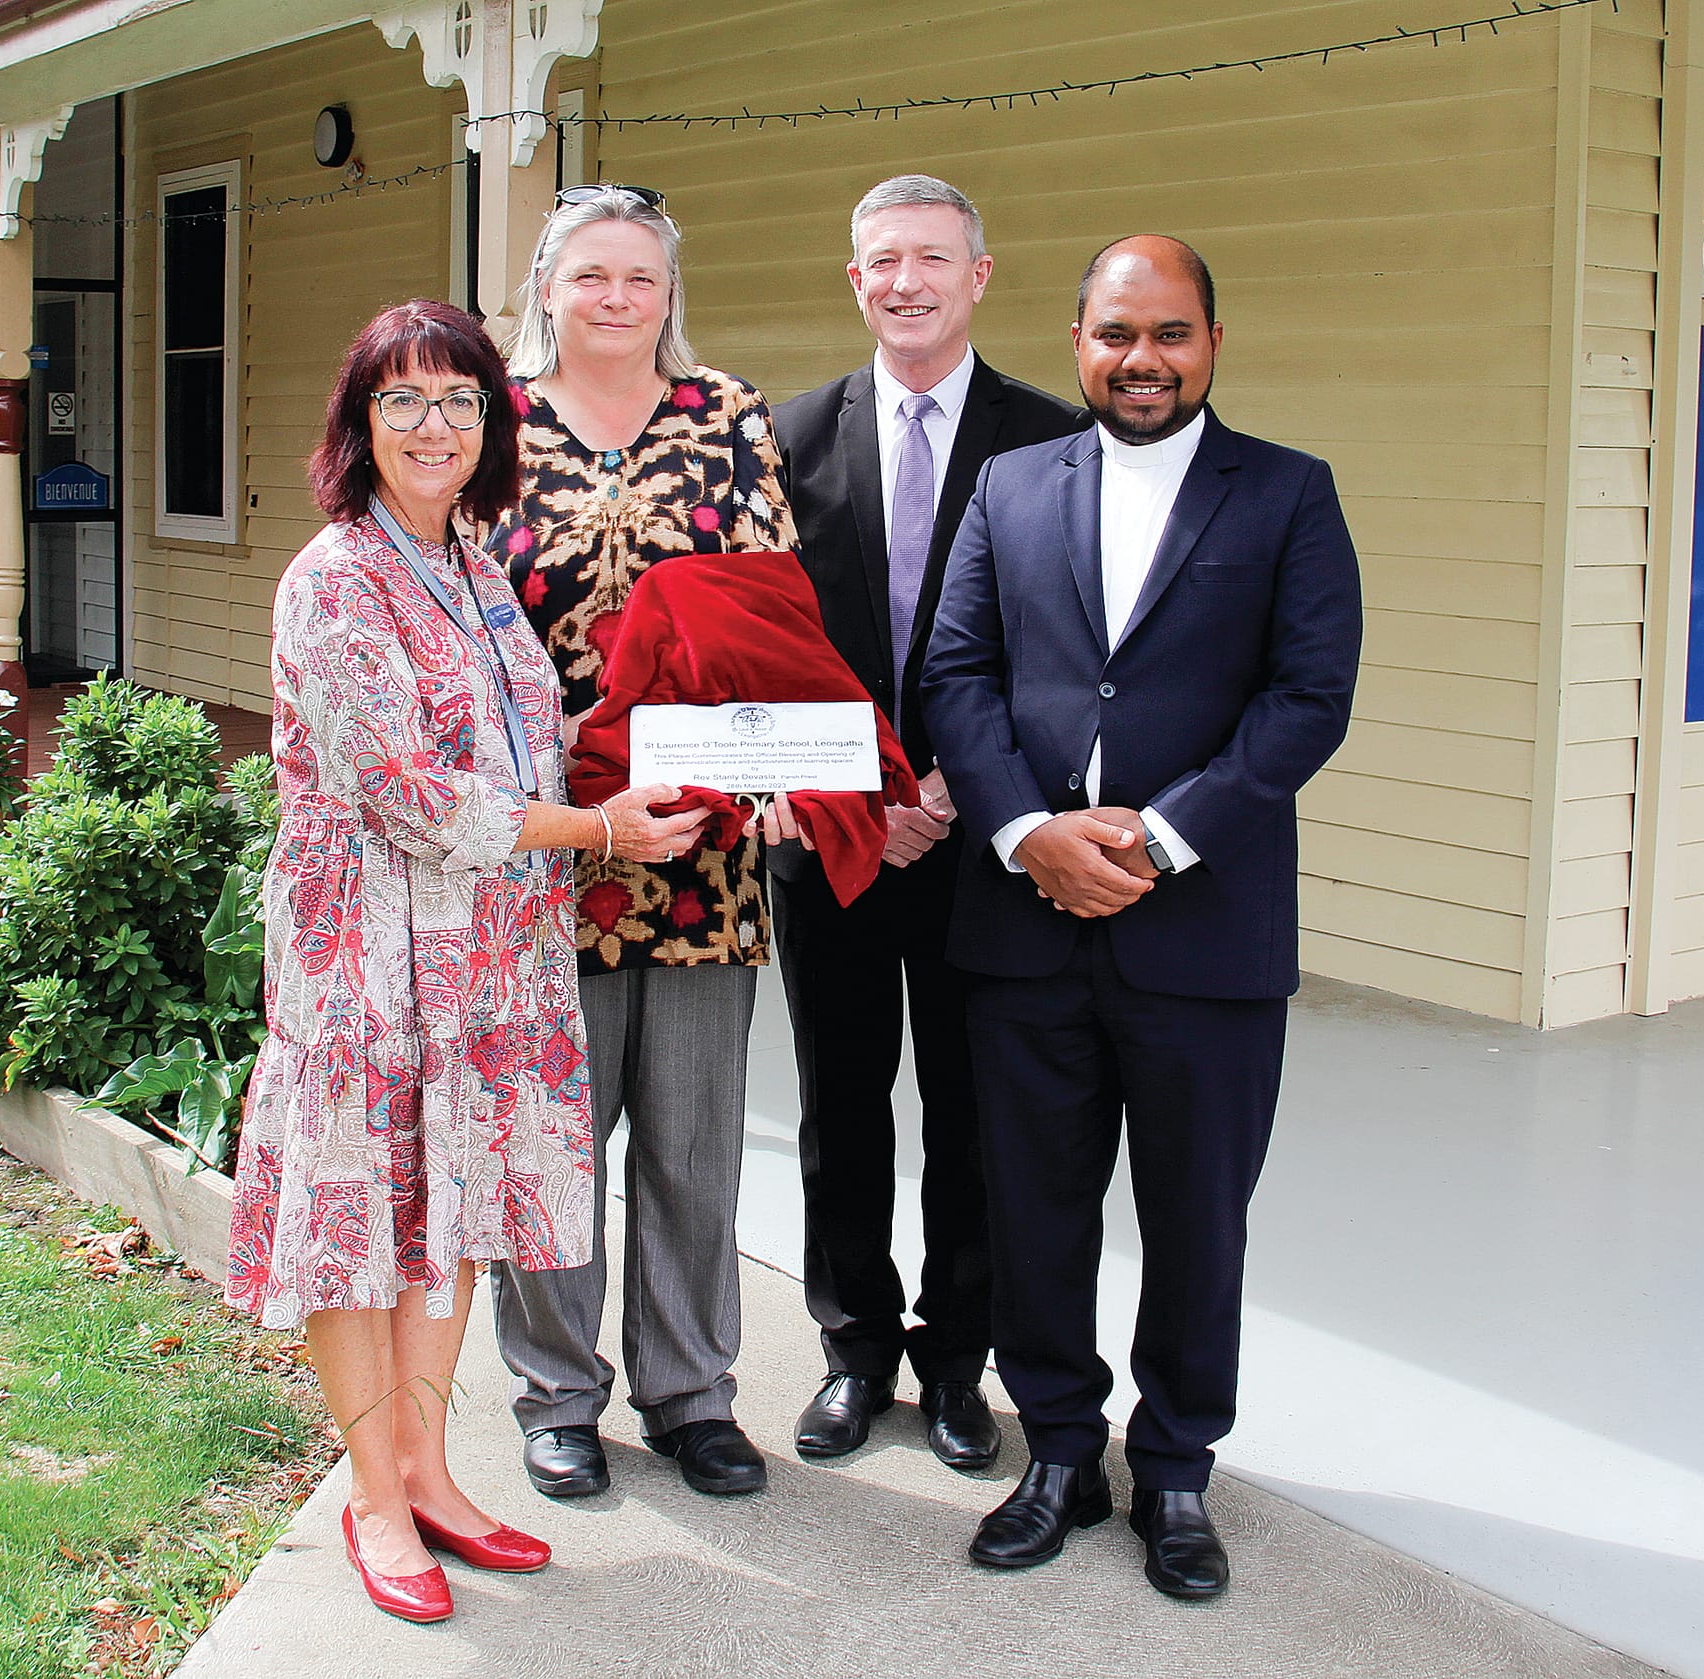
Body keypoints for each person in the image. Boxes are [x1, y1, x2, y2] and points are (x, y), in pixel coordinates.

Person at [226, 298, 705, 1624]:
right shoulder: (334, 581)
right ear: (359, 424)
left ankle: (432, 1472)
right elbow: (410, 793)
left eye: (460, 400)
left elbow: (524, 753)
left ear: (492, 423)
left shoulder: (477, 567)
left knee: (448, 1214)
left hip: (490, 949)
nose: (434, 426)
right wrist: (599, 832)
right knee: (358, 1221)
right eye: (403, 400)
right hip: (367, 950)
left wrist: (674, 759)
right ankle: (378, 1502)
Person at [921, 237, 1362, 1599]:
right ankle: (1057, 1447)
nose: (1143, 359)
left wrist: (1160, 840)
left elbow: (1307, 699)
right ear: (1077, 342)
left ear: (1212, 345)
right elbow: (956, 668)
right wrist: (1025, 833)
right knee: (1034, 1206)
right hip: (1026, 926)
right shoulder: (1009, 487)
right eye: (1118, 334)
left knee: (1196, 1219)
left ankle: (1175, 1469)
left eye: (1170, 334)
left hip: (1206, 937)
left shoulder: (1288, 495)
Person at [765, 174, 1080, 1470]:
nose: (908, 280)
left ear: (979, 275)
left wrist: (960, 783)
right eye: (883, 259)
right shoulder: (784, 440)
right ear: (855, 280)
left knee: (972, 1108)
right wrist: (858, 797)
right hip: (831, 841)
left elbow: (1071, 651)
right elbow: (762, 655)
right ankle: (854, 1350)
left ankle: (957, 1363)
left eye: (933, 258)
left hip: (983, 838)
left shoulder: (1050, 441)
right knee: (840, 1100)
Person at [493, 185, 799, 1501]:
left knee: (690, 1141)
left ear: (671, 293)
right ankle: (558, 1397)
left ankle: (691, 1395)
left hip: (700, 848)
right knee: (555, 1137)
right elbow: (448, 624)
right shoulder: (489, 421)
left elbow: (772, 603)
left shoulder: (723, 414)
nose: (617, 299)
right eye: (592, 275)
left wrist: (786, 768)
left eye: (642, 278)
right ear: (547, 285)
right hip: (543, 845)